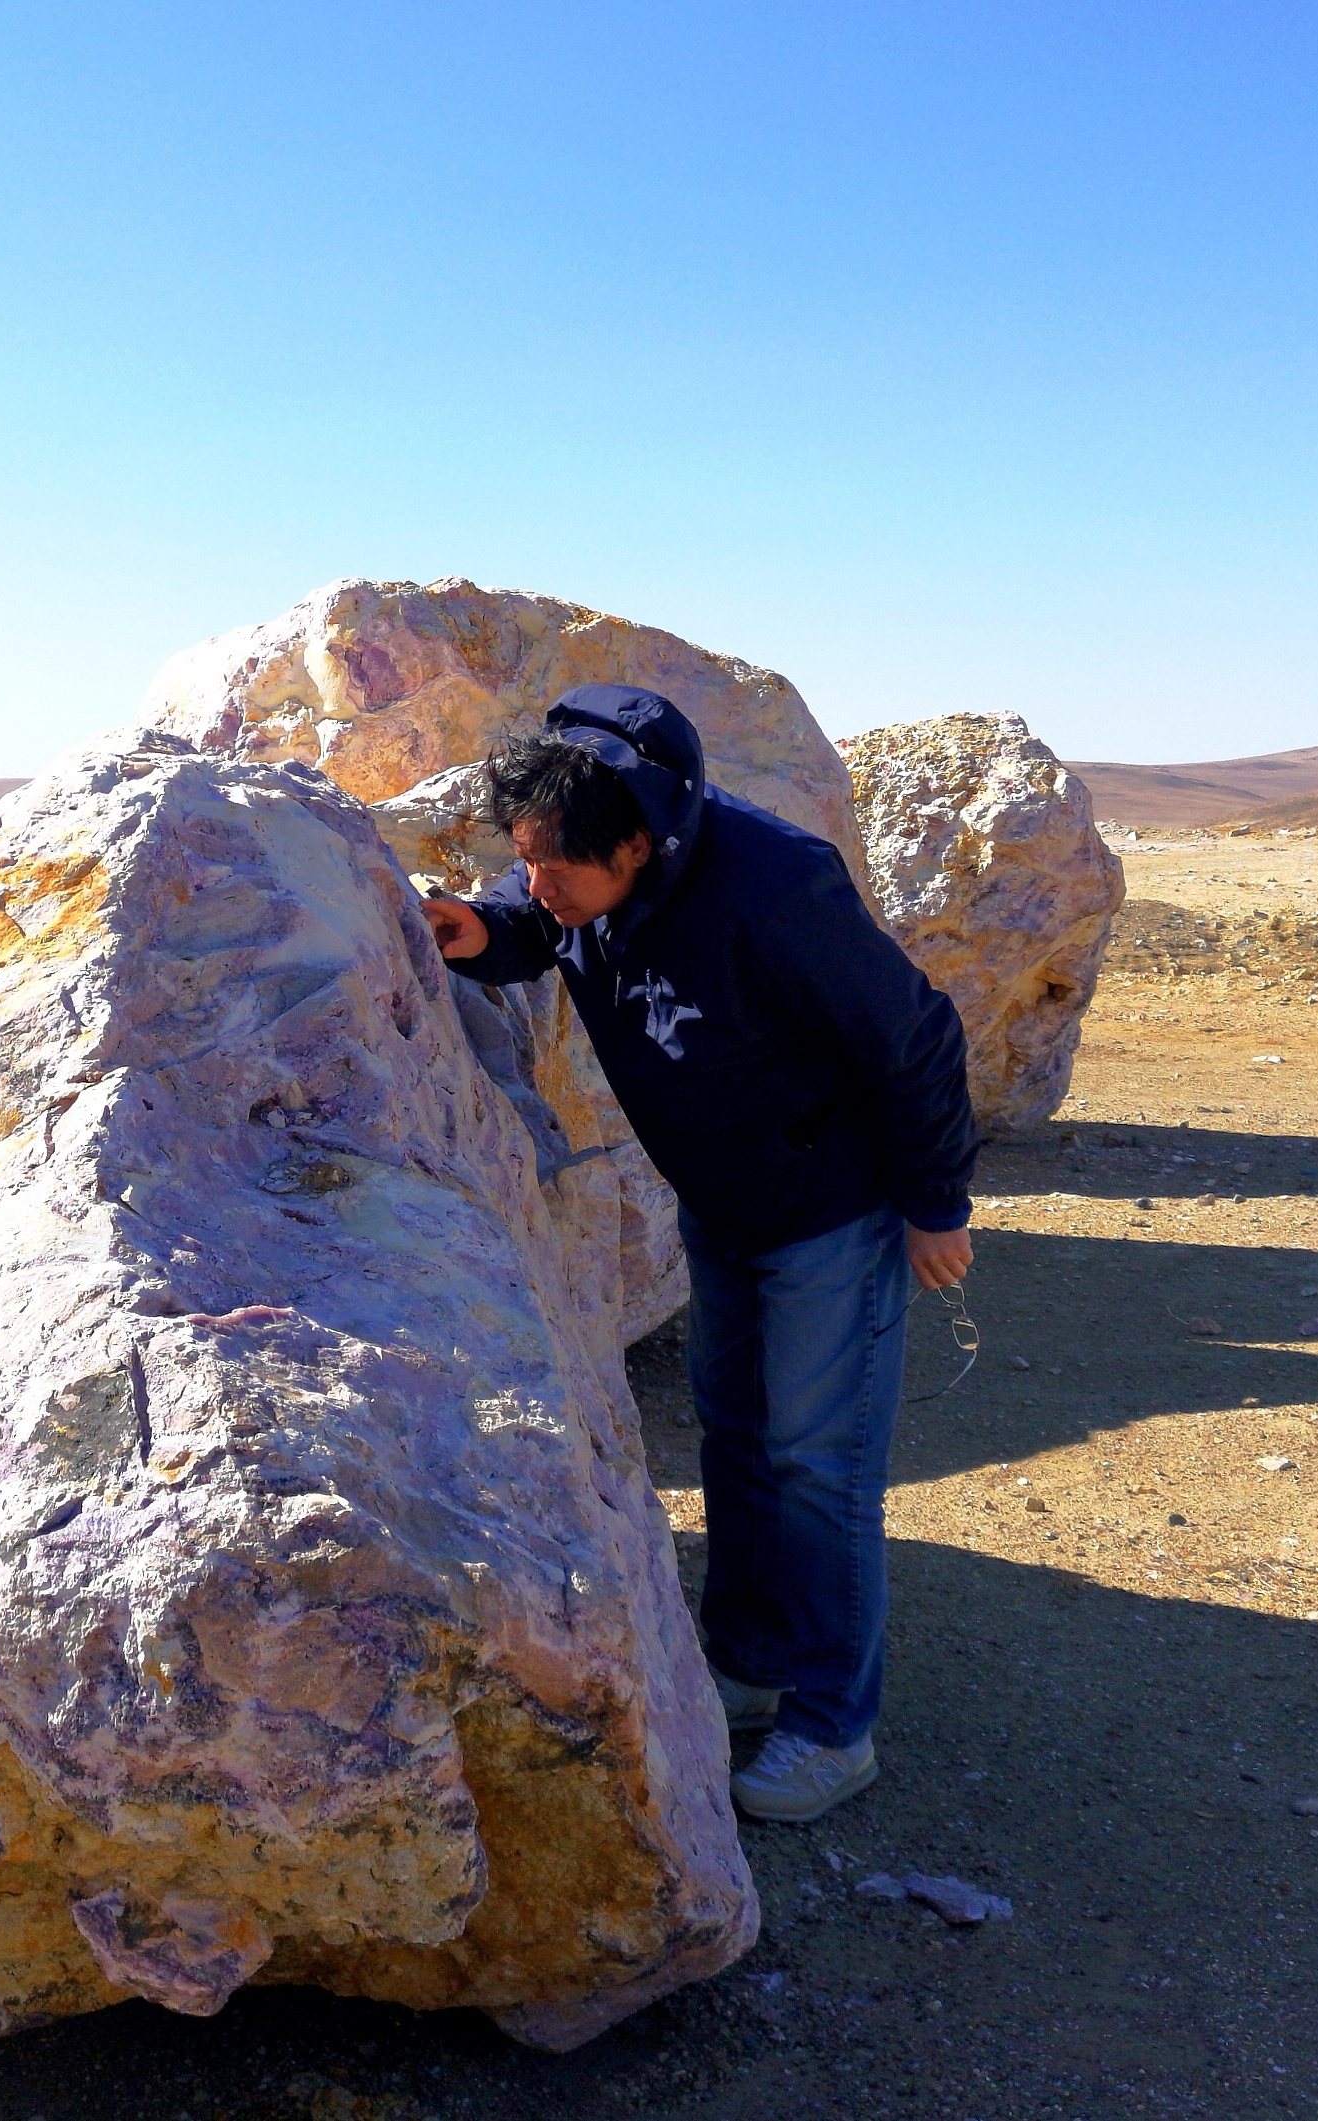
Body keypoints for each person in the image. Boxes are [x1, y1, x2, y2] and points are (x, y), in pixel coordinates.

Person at [423, 684, 977, 1824]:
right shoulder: (589, 873)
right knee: (734, 1437)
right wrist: (487, 932)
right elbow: (553, 919)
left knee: (820, 1467)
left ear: (638, 841)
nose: (538, 884)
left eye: (554, 866)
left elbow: (915, 1034)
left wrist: (934, 1204)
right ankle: (750, 1661)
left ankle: (833, 1726)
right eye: (521, 859)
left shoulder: (778, 891)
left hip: (830, 1213)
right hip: (719, 1209)